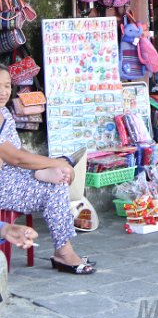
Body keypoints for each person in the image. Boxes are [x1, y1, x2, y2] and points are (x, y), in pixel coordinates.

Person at [0, 65, 96, 274]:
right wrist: (54, 164)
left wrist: (49, 163)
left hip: (11, 174)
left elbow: (19, 150)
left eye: (6, 85)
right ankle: (63, 251)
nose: (3, 92)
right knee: (54, 188)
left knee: (56, 177)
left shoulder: (4, 113)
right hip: (2, 183)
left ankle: (63, 250)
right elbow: (15, 158)